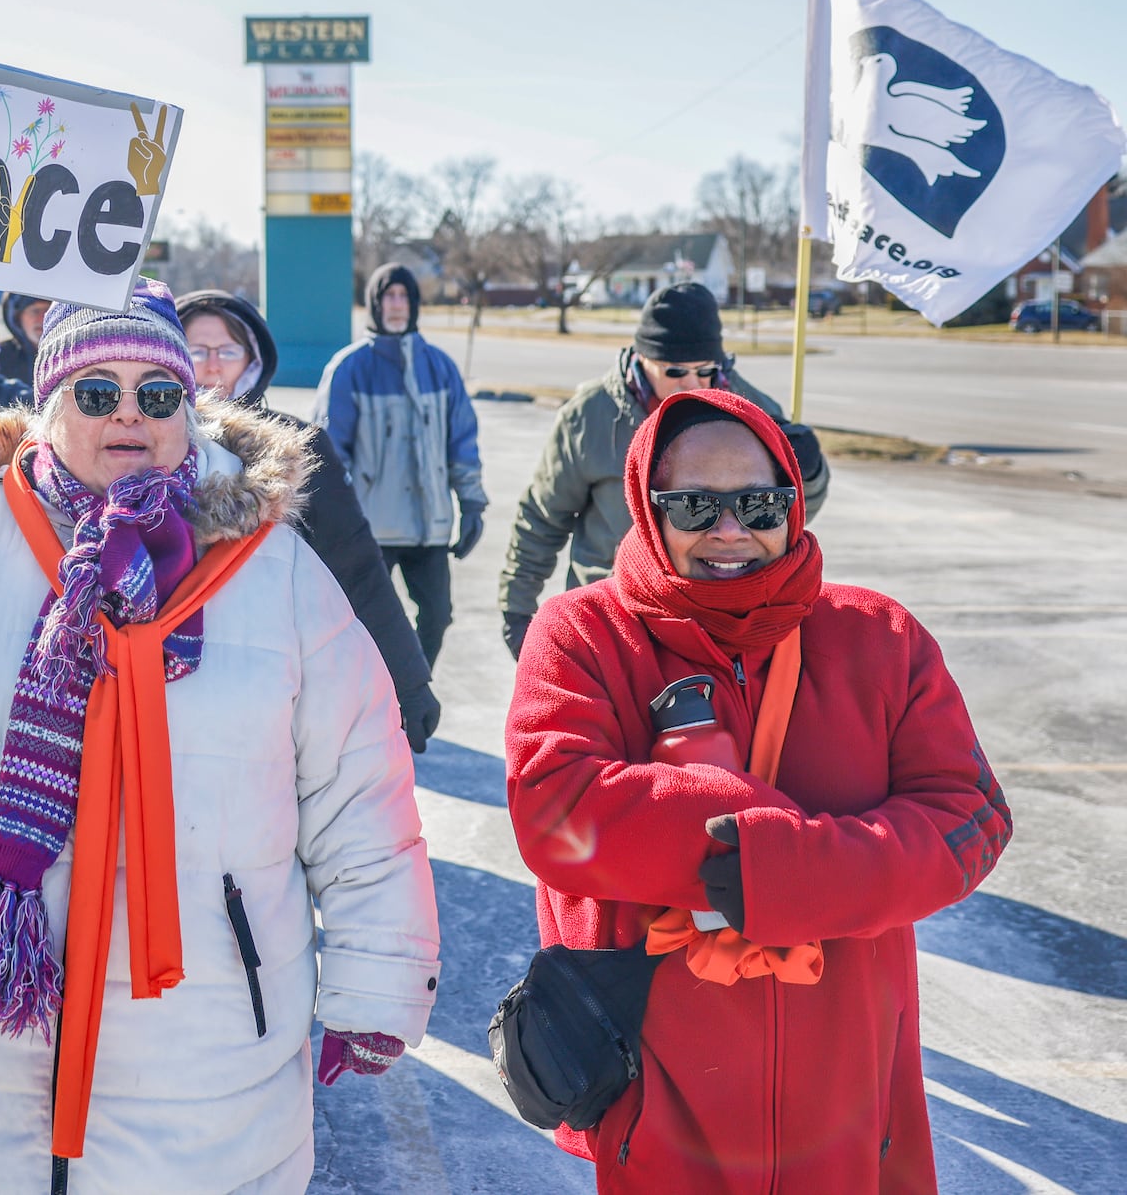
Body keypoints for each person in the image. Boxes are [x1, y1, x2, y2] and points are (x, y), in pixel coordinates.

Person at [0, 281, 441, 1193]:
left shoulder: (271, 569)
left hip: (202, 1059)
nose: (129, 412)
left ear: (186, 412)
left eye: (157, 394)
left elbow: (360, 784)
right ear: (48, 409)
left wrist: (379, 975)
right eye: (96, 392)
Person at [504, 388, 1012, 1193]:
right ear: (647, 506)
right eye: (696, 504)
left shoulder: (880, 636)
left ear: (795, 503)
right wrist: (741, 842)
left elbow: (970, 816)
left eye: (760, 502)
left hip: (848, 1108)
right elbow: (557, 808)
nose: (731, 530)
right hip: (659, 1099)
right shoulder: (582, 632)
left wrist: (792, 868)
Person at [498, 281, 829, 659]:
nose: (692, 383)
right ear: (642, 358)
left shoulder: (751, 410)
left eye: (706, 370)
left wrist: (812, 472)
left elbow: (784, 517)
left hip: (721, 618)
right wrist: (518, 608)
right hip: (616, 622)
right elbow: (543, 518)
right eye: (675, 371)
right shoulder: (589, 415)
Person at [175, 287, 442, 752]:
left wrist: (408, 679)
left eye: (228, 350)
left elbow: (355, 565)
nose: (213, 365)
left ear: (253, 359)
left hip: (274, 680)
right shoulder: (133, 447)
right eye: (196, 350)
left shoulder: (297, 447)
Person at [313, 262, 487, 668]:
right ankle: (388, 700)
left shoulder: (439, 367)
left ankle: (413, 690)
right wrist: (337, 523)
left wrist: (473, 504)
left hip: (429, 528)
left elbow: (462, 443)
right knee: (368, 623)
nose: (397, 305)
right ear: (375, 303)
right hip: (371, 530)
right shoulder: (349, 368)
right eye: (388, 296)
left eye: (404, 296)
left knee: (438, 617)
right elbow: (329, 452)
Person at [0, 291, 52, 388]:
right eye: (35, 311)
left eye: (49, 311)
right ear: (18, 317)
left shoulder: (75, 358)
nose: (43, 318)